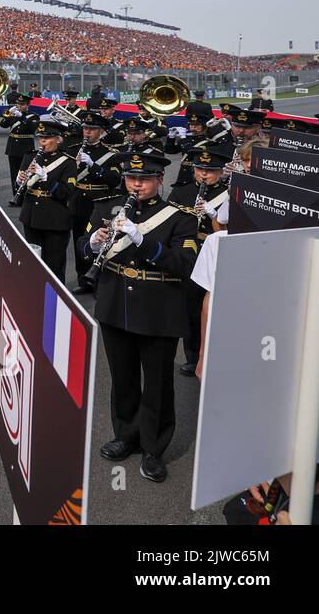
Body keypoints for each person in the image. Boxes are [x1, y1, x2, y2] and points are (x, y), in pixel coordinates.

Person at [84, 151, 198, 483]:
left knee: (158, 382)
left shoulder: (181, 218)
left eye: (145, 179)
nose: (137, 184)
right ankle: (127, 435)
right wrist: (92, 243)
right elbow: (82, 244)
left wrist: (141, 240)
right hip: (115, 303)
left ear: (160, 180)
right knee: (123, 377)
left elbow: (184, 265)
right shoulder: (109, 208)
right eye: (132, 178)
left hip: (158, 309)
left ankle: (154, 447)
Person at [167, 142, 233, 376]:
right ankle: (193, 355)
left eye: (211, 170)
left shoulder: (230, 193)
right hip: (188, 254)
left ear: (221, 171)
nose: (204, 174)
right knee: (191, 308)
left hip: (215, 252)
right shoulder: (181, 192)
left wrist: (213, 214)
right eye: (200, 169)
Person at [15, 118, 77, 283]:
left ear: (58, 139)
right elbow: (22, 192)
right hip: (32, 217)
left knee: (54, 267)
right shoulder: (30, 157)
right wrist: (19, 181)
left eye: (47, 138)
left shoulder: (68, 163)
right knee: (34, 264)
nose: (42, 141)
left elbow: (66, 193)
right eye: (41, 137)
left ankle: (54, 303)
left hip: (55, 219)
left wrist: (46, 178)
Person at [69, 112, 124, 295]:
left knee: (101, 241)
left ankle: (100, 280)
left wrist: (93, 165)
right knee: (80, 241)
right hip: (78, 201)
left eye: (91, 129)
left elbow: (114, 179)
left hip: (100, 203)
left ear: (100, 131)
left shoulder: (110, 154)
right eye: (85, 128)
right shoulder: (73, 149)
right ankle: (83, 279)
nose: (87, 132)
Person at [0, 92, 39, 194]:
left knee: (25, 173)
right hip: (12, 148)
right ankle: (15, 195)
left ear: (27, 105)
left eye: (22, 104)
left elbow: (33, 128)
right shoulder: (13, 114)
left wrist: (22, 117)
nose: (19, 106)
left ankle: (24, 195)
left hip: (25, 148)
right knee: (14, 173)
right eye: (18, 104)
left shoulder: (34, 116)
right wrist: (8, 115)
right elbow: (3, 125)